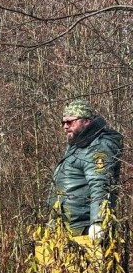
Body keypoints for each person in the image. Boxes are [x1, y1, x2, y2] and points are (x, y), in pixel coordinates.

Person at [49, 98, 123, 238]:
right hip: (67, 226)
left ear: (86, 121)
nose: (65, 126)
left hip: (84, 228)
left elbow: (101, 184)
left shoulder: (97, 147)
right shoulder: (79, 144)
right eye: (63, 122)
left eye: (70, 122)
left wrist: (98, 222)